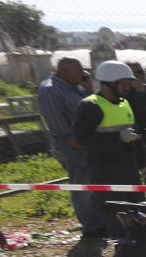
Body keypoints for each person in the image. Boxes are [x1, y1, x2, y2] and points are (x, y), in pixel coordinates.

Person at [72, 60, 146, 236]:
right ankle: (121, 253)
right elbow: (82, 138)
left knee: (138, 212)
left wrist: (143, 161)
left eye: (128, 83)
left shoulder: (125, 104)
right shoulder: (91, 106)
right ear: (108, 84)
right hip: (105, 170)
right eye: (123, 84)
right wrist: (117, 137)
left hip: (129, 168)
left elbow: (135, 136)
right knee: (116, 217)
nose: (127, 87)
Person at [37, 57, 104, 236]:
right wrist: (74, 142)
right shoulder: (50, 90)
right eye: (78, 71)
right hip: (71, 145)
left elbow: (93, 105)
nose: (83, 74)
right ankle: (92, 227)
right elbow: (56, 123)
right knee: (81, 185)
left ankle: (98, 220)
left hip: (83, 142)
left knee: (91, 182)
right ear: (64, 71)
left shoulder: (75, 86)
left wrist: (89, 88)